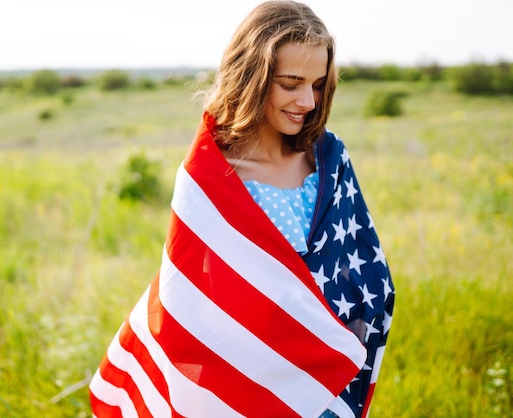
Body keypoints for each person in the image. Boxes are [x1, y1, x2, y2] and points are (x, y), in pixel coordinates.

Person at [88, 1, 395, 417]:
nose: (307, 100)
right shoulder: (211, 178)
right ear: (253, 77)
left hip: (326, 379)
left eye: (319, 85)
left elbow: (362, 272)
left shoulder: (328, 159)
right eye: (291, 83)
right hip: (249, 383)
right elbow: (189, 307)